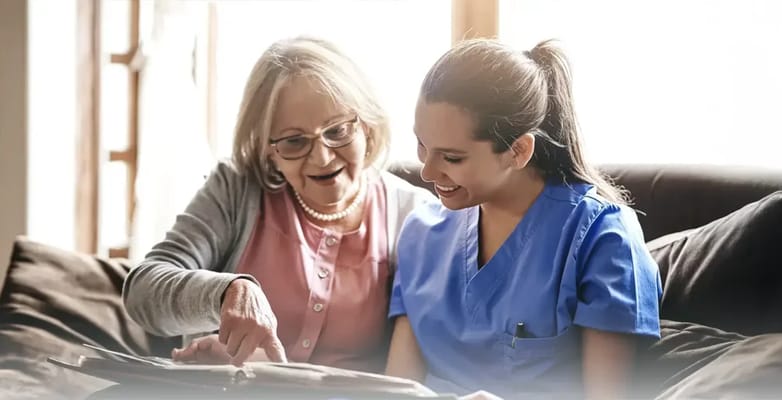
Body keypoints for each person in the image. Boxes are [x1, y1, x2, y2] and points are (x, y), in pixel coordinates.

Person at [122, 36, 434, 372]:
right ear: (268, 147)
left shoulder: (414, 214)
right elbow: (142, 292)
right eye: (294, 141)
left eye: (338, 130)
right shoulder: (236, 188)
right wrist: (225, 292)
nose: (322, 156)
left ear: (368, 125)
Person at [385, 39, 662, 399]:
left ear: (518, 151)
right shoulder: (420, 234)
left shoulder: (604, 239)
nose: (427, 171)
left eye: (451, 158)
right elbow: (395, 389)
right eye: (422, 146)